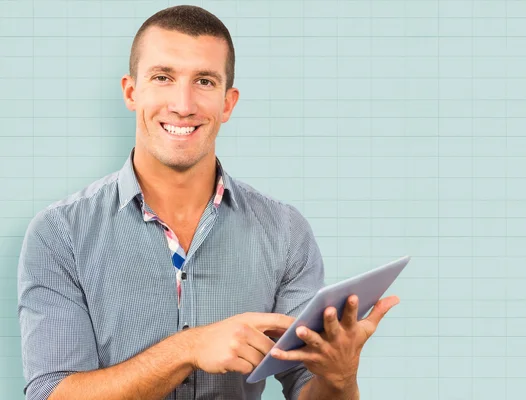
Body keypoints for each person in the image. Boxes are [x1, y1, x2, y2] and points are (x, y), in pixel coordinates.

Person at [17, 5, 399, 400]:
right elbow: (50, 393)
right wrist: (189, 349)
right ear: (132, 92)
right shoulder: (59, 233)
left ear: (228, 103)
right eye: (163, 77)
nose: (183, 104)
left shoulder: (285, 232)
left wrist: (339, 377)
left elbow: (307, 387)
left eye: (203, 81)